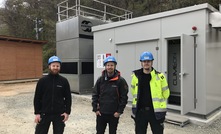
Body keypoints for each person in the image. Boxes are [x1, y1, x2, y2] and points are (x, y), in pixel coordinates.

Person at [130, 52, 170, 134]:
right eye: (144, 61)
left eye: (148, 61)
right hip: (140, 112)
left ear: (152, 62)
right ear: (141, 63)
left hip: (155, 112)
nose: (146, 63)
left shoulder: (160, 76)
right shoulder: (135, 76)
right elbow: (133, 91)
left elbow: (166, 93)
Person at [33, 56, 72, 134]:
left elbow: (68, 98)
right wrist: (37, 113)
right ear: (49, 66)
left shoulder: (64, 81)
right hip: (44, 113)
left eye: (57, 66)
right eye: (53, 65)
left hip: (59, 114)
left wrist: (67, 112)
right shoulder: (42, 81)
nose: (55, 67)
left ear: (60, 67)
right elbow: (37, 98)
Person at [92, 56, 129, 134]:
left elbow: (124, 97)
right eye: (108, 65)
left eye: (111, 65)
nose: (109, 67)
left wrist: (119, 111)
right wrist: (95, 109)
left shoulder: (120, 81)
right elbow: (95, 94)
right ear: (105, 66)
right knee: (99, 132)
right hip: (101, 113)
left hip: (114, 114)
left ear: (115, 66)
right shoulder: (100, 80)